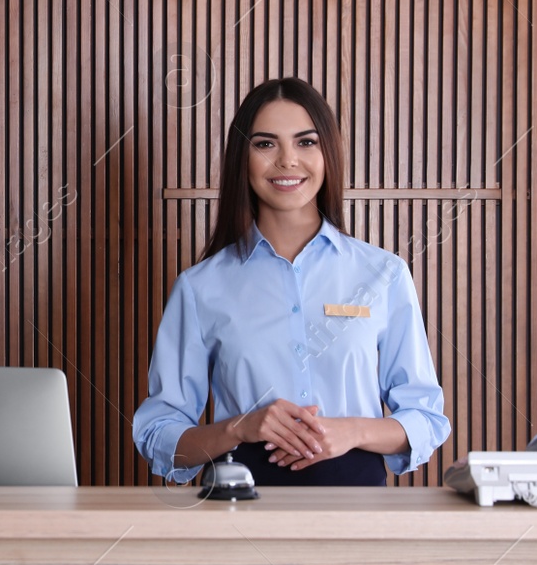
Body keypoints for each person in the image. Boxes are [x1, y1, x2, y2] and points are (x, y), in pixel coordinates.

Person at [132, 77, 451, 486]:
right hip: (239, 512)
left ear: (328, 153)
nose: (287, 160)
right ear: (241, 158)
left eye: (306, 142)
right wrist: (240, 428)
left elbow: (425, 417)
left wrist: (352, 431)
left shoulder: (383, 274)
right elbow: (157, 433)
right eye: (265, 144)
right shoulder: (200, 288)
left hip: (360, 513)